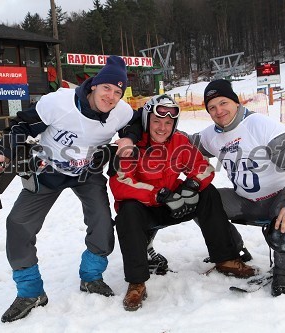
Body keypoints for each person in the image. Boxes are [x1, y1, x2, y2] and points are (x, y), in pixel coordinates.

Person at [0, 55, 142, 323]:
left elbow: (134, 122)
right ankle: (30, 292)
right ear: (94, 84)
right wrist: (4, 151)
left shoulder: (120, 111)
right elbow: (20, 125)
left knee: (103, 223)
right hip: (49, 168)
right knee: (18, 224)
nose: (111, 96)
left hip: (88, 171)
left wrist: (128, 138)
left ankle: (92, 278)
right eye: (107, 88)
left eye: (118, 92)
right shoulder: (59, 102)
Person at [109, 94, 256, 312]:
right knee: (127, 213)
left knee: (209, 194)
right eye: (157, 122)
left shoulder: (179, 141)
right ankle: (137, 282)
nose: (162, 128)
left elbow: (203, 167)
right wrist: (158, 194)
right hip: (145, 207)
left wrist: (192, 186)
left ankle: (225, 258)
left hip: (174, 203)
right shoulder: (131, 145)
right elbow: (121, 184)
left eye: (168, 123)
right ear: (147, 120)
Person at [190, 79, 285, 297]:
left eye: (223, 103)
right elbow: (181, 141)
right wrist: (145, 125)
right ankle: (232, 249)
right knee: (199, 203)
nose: (219, 111)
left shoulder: (260, 125)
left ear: (236, 102)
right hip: (245, 201)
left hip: (281, 199)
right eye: (212, 107)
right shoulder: (211, 135)